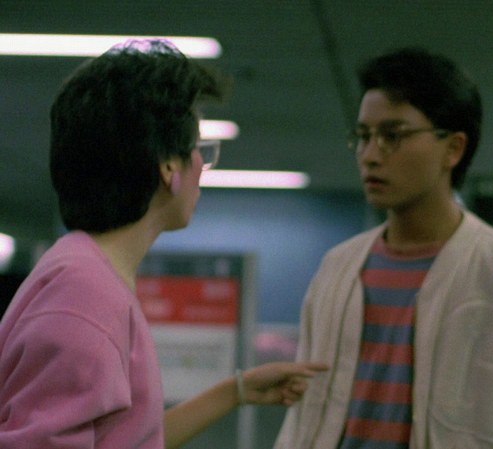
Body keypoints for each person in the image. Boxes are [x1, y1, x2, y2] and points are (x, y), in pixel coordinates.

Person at [0, 40, 327, 449]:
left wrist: (235, 391)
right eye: (199, 150)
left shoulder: (87, 275)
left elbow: (127, 439)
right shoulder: (85, 299)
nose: (201, 166)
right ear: (170, 166)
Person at [274, 47, 493, 449]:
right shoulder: (338, 269)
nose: (370, 156)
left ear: (453, 148)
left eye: (392, 136)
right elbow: (302, 420)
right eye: (363, 137)